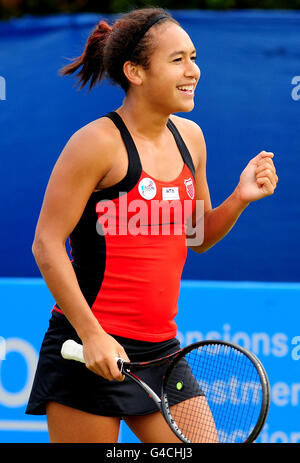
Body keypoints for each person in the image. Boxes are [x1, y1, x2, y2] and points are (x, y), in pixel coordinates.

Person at [26, 7, 278, 443]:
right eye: (177, 59)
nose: (193, 70)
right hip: (88, 348)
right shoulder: (96, 144)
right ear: (135, 72)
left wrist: (239, 199)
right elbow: (47, 244)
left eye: (194, 57)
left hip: (162, 352)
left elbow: (197, 237)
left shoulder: (191, 139)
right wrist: (93, 336)